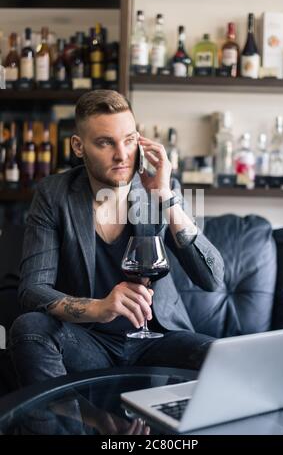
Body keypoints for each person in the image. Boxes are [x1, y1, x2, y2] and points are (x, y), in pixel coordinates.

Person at [9, 90, 224, 388]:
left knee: (222, 356)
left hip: (159, 339)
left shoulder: (161, 189)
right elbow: (33, 290)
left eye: (129, 140)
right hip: (89, 340)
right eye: (105, 142)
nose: (122, 155)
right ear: (78, 146)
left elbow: (212, 279)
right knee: (29, 329)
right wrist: (99, 307)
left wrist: (166, 197)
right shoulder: (54, 194)